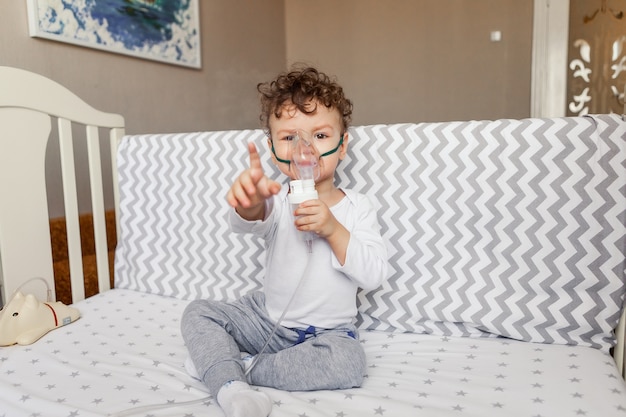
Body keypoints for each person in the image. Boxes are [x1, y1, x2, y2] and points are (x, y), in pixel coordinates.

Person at [181, 66, 388, 417]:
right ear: (272, 147)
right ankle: (231, 390)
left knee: (349, 365)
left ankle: (233, 369)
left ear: (343, 144)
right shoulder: (275, 199)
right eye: (290, 137)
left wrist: (333, 229)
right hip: (268, 320)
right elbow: (252, 218)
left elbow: (373, 275)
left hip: (328, 335)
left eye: (320, 136)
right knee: (198, 313)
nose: (304, 149)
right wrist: (250, 203)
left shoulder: (357, 207)